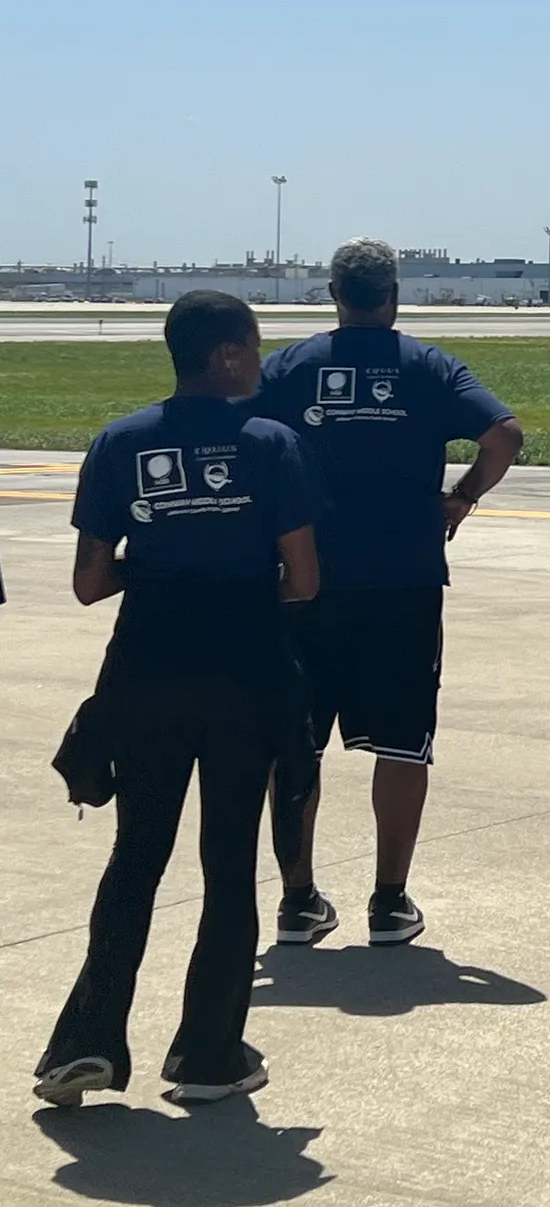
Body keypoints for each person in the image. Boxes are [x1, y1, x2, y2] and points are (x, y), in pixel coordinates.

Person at [34, 293, 319, 1109]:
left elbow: (90, 581)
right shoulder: (273, 445)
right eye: (255, 346)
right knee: (228, 864)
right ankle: (207, 1054)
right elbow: (305, 578)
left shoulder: (120, 441)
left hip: (147, 676)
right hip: (243, 679)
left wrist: (159, 568)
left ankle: (85, 1041)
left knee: (136, 856)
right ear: (227, 354)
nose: (260, 361)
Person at [256, 237, 523, 950]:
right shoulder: (428, 366)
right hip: (403, 578)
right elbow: (504, 433)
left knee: (296, 746)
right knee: (404, 746)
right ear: (394, 294)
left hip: (306, 581)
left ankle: (296, 898)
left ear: (334, 294)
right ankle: (388, 898)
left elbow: (239, 426)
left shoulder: (292, 365)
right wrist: (462, 496)